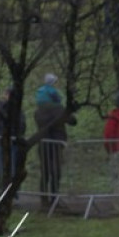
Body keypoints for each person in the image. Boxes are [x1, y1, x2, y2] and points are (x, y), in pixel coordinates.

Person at [33, 75, 77, 209]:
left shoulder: (38, 111)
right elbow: (73, 121)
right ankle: (54, 198)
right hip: (56, 144)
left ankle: (44, 200)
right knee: (55, 172)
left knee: (45, 172)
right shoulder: (58, 109)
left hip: (43, 144)